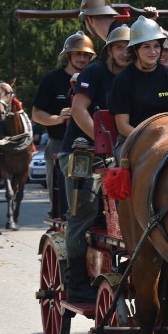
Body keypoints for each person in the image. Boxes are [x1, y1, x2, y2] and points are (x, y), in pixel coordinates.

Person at [58, 23, 131, 302]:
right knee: (83, 210)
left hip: (121, 151)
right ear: (109, 50)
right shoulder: (94, 72)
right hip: (82, 151)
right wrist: (104, 143)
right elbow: (78, 110)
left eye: (128, 48)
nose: (124, 53)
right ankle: (76, 280)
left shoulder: (134, 76)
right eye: (119, 47)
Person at [32, 30, 96, 213]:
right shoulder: (51, 80)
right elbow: (36, 114)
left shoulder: (96, 77)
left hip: (93, 145)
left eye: (86, 55)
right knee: (62, 201)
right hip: (59, 145)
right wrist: (58, 119)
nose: (82, 58)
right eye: (78, 53)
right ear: (68, 55)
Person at [110, 16, 168, 155]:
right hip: (132, 140)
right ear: (135, 50)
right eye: (146, 46)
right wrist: (149, 140)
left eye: (156, 46)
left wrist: (166, 140)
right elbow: (122, 126)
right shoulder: (123, 80)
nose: (153, 51)